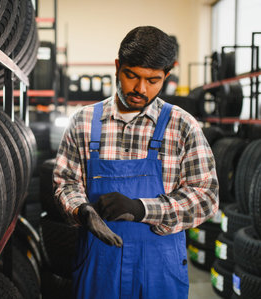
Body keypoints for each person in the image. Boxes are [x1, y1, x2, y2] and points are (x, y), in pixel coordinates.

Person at [53, 26, 219, 299]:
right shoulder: (83, 122)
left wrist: (141, 209)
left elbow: (206, 198)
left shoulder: (182, 125)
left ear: (167, 74)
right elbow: (65, 182)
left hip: (160, 271)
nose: (141, 89)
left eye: (153, 80)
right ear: (118, 67)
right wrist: (81, 210)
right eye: (132, 76)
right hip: (98, 267)